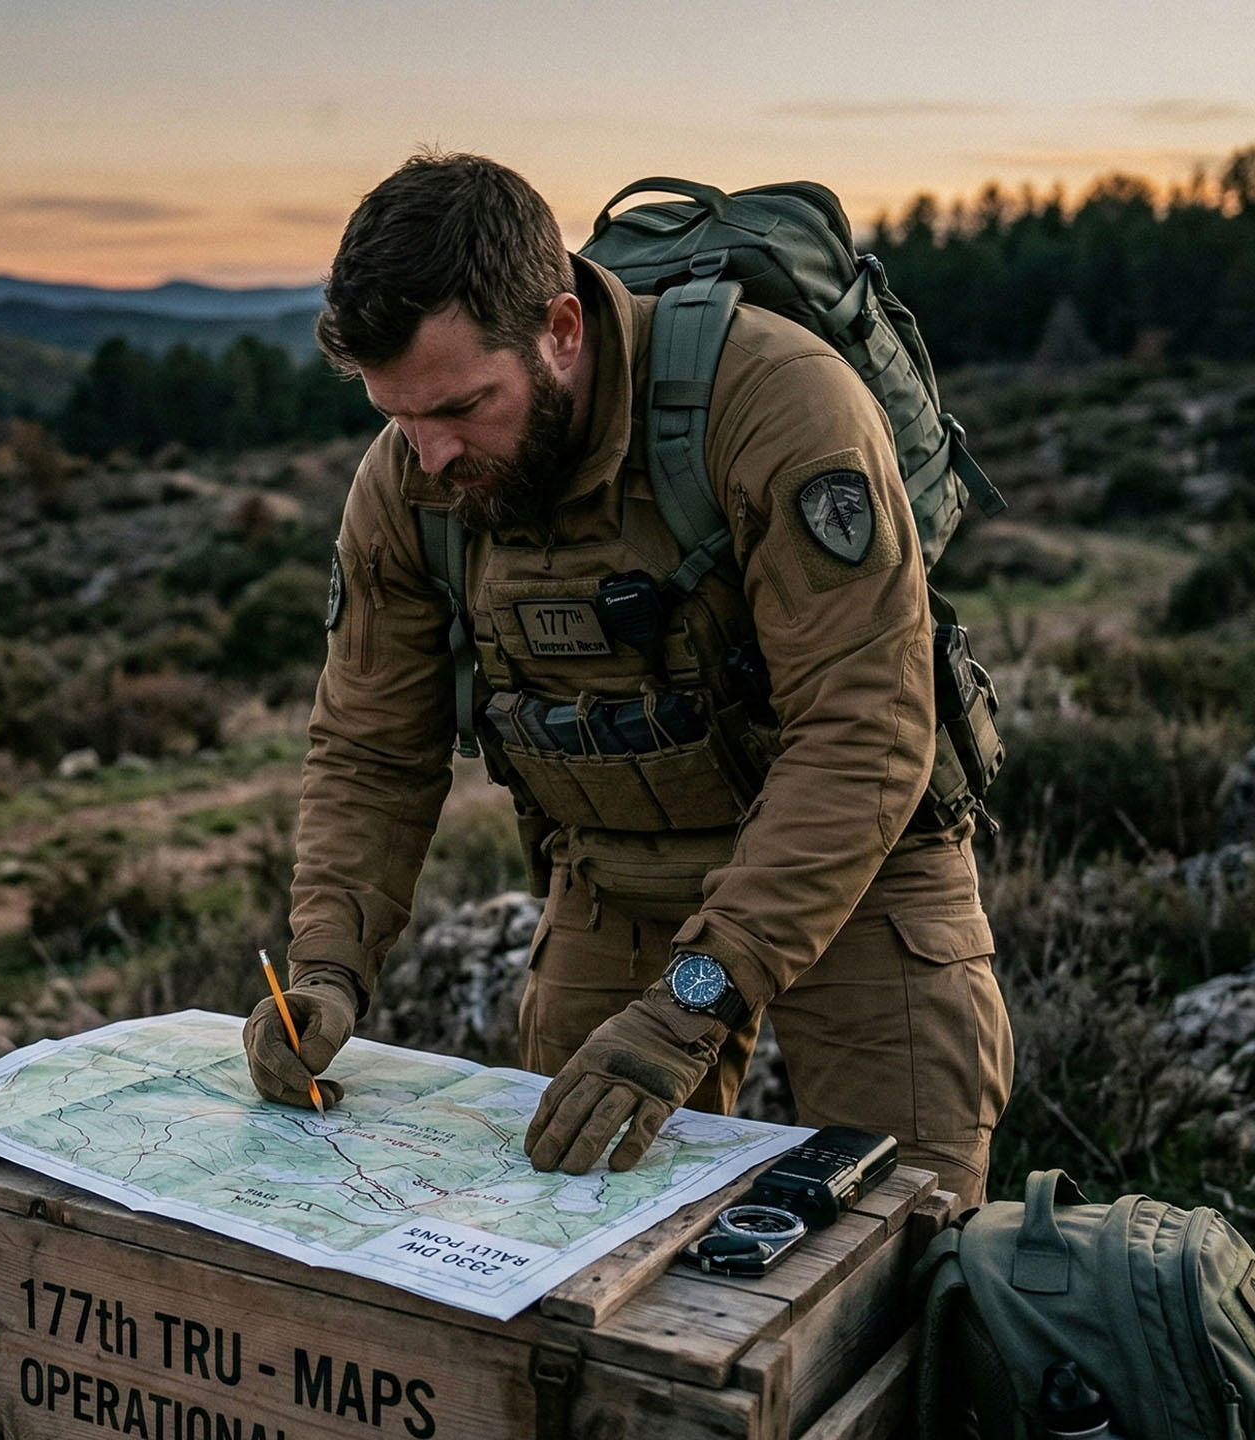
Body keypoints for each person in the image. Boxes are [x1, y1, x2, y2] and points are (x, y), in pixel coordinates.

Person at [242, 153, 1012, 1210]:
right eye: (397, 415)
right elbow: (372, 746)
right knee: (566, 1231)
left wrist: (687, 1009)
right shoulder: (408, 480)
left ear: (560, 330)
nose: (430, 457)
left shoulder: (776, 403)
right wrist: (328, 968)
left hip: (857, 873)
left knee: (905, 1231)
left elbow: (863, 734)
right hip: (613, 878)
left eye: (463, 406)